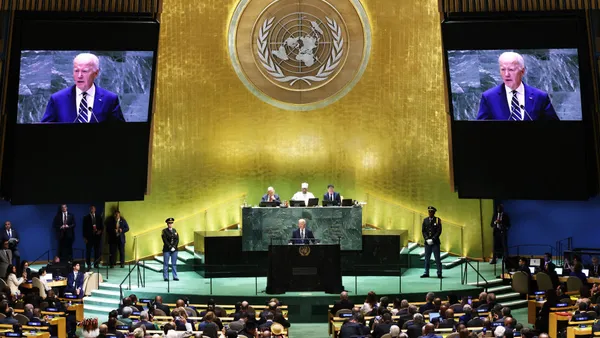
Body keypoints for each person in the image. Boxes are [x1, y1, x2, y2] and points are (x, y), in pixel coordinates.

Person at [41, 53, 125, 123]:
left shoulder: (110, 99)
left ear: (96, 73)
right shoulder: (57, 99)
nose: (79, 76)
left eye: (84, 71)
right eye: (76, 71)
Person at [476, 52, 559, 121]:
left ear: (522, 71)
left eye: (511, 69)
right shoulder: (489, 97)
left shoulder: (540, 97)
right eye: (503, 69)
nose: (506, 74)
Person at [421, 206, 442, 278]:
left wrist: (433, 239)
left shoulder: (437, 220)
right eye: (429, 211)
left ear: (434, 212)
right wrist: (426, 238)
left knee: (437, 258)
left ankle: (439, 272)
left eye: (431, 212)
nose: (430, 213)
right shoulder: (425, 220)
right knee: (427, 259)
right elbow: (423, 231)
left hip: (435, 242)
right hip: (427, 243)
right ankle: (426, 272)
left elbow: (439, 231)